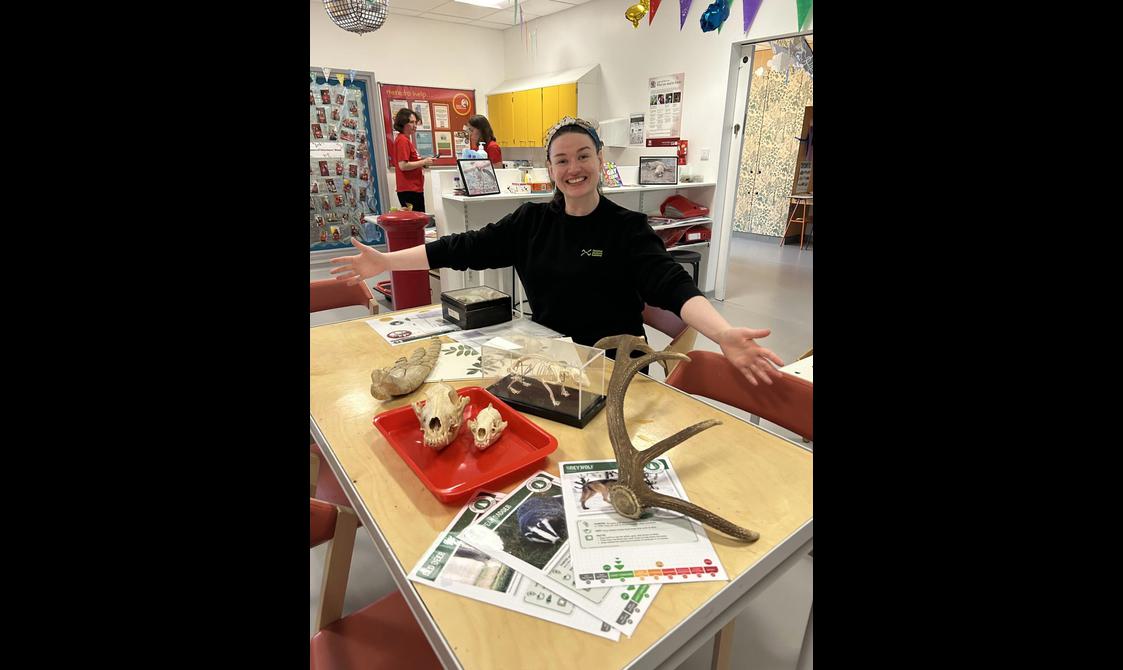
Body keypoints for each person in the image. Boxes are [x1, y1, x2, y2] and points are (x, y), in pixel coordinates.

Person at [332, 116, 783, 385]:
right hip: (551, 360)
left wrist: (722, 333)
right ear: (550, 168)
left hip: (617, 372)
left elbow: (674, 285)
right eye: (562, 160)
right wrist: (385, 261)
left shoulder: (627, 228)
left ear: (599, 161)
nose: (574, 168)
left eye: (583, 156)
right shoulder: (531, 222)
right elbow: (460, 248)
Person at [392, 108, 434, 212]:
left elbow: (410, 162)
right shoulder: (402, 140)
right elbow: (403, 165)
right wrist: (423, 162)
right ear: (403, 123)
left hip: (414, 188)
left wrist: (422, 164)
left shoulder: (405, 139)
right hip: (409, 189)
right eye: (411, 122)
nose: (415, 125)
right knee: (416, 222)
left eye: (416, 122)